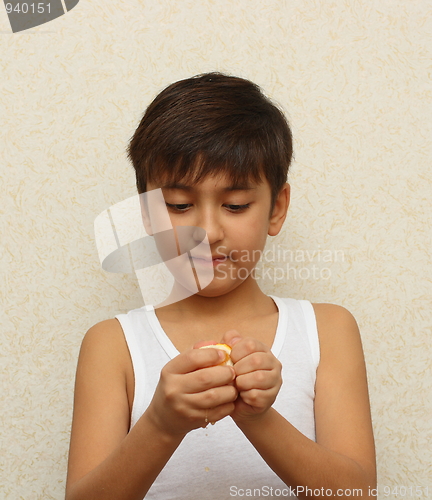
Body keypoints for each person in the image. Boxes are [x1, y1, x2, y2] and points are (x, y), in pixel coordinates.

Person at [65, 72, 376, 500]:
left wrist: (256, 416)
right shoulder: (112, 345)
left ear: (276, 209)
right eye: (179, 205)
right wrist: (160, 424)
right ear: (146, 216)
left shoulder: (327, 330)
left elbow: (356, 494)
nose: (207, 231)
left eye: (235, 205)